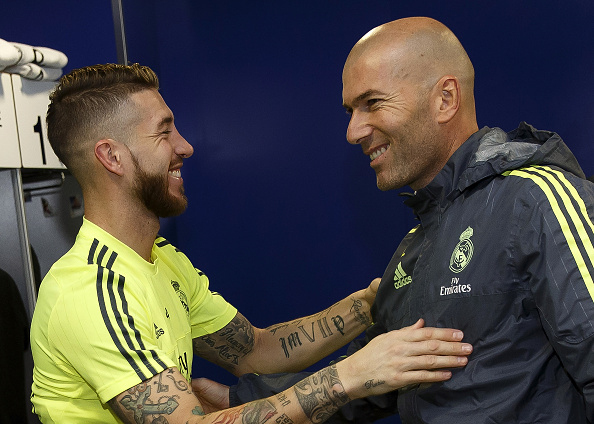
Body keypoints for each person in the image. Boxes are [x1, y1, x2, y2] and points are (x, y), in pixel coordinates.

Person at [29, 63, 473, 424]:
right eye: (164, 132)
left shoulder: (162, 261)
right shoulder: (93, 290)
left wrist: (372, 302)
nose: (185, 146)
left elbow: (255, 351)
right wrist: (353, 374)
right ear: (112, 156)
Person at [206, 16, 594, 423]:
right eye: (350, 110)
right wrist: (236, 401)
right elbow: (367, 382)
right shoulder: (419, 242)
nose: (353, 131)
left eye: (372, 103)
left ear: (445, 99)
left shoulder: (535, 199)